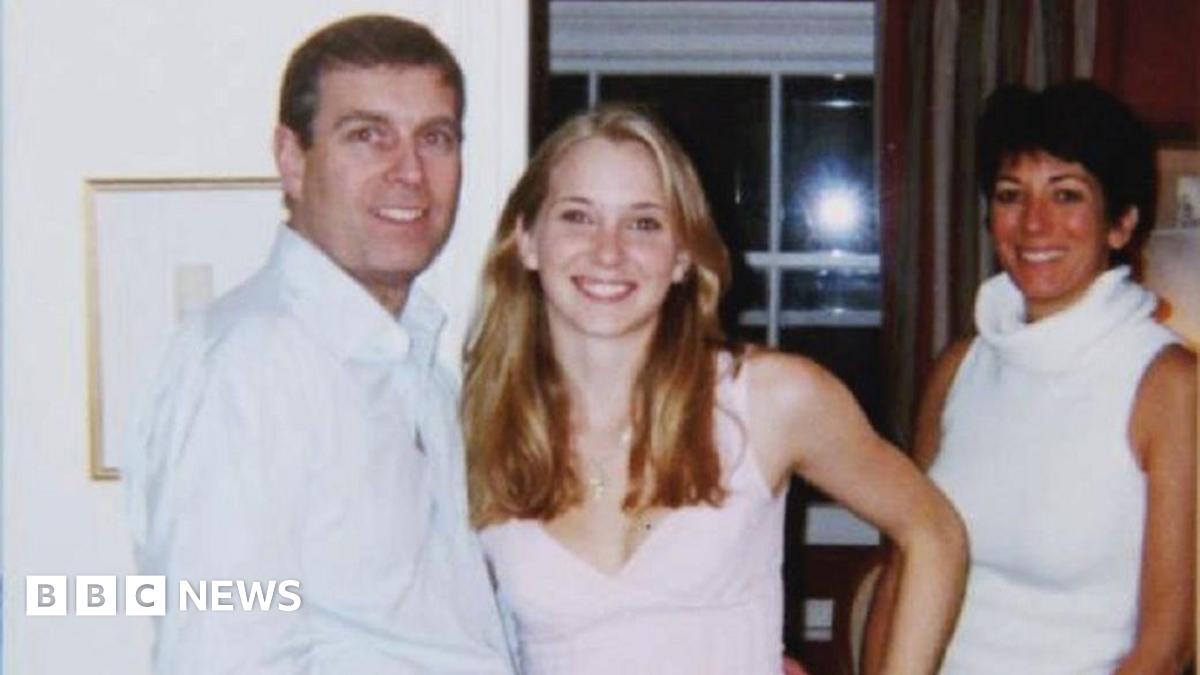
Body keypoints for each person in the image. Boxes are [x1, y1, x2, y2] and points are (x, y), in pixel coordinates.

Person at [462, 104, 967, 674]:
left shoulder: (768, 399)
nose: (608, 251)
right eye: (578, 217)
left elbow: (934, 532)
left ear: (682, 256)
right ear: (527, 240)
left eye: (644, 223)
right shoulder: (476, 428)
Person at [125, 15, 514, 674]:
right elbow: (220, 655)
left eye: (435, 138)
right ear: (292, 159)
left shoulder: (418, 368)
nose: (410, 172)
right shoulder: (250, 367)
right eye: (367, 135)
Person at [865, 81, 1197, 674]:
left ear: (1121, 224)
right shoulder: (958, 368)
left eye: (1066, 195)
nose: (1034, 224)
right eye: (1010, 195)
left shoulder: (1168, 385)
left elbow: (1165, 648)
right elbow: (901, 574)